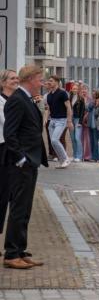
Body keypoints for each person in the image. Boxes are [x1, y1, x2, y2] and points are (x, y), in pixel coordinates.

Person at [3, 65, 48, 269]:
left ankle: (20, 250)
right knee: (18, 208)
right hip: (21, 164)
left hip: (31, 162)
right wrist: (21, 159)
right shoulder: (17, 101)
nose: (42, 83)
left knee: (26, 209)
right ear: (30, 79)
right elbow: (9, 134)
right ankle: (11, 254)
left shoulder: (26, 99)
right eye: (40, 80)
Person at [0, 70, 19, 249]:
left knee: (12, 196)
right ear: (4, 82)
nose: (16, 81)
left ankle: (13, 244)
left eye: (17, 78)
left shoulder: (17, 100)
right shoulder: (1, 101)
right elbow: (8, 123)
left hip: (13, 149)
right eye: (12, 78)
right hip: (3, 148)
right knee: (2, 195)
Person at [46, 76, 73, 169]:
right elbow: (49, 109)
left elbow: (68, 107)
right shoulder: (49, 95)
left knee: (54, 140)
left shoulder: (62, 93)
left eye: (51, 81)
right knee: (53, 142)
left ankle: (65, 159)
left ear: (57, 82)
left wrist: (69, 121)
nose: (49, 82)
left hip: (61, 120)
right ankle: (62, 161)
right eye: (49, 81)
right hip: (52, 121)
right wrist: (46, 119)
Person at [69, 84, 85, 162]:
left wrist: (80, 122)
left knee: (77, 138)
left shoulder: (81, 99)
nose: (74, 90)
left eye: (76, 89)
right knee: (72, 138)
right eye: (73, 89)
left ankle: (79, 156)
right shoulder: (69, 98)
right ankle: (75, 155)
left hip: (78, 119)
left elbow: (82, 111)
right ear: (71, 89)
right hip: (70, 119)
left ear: (78, 90)